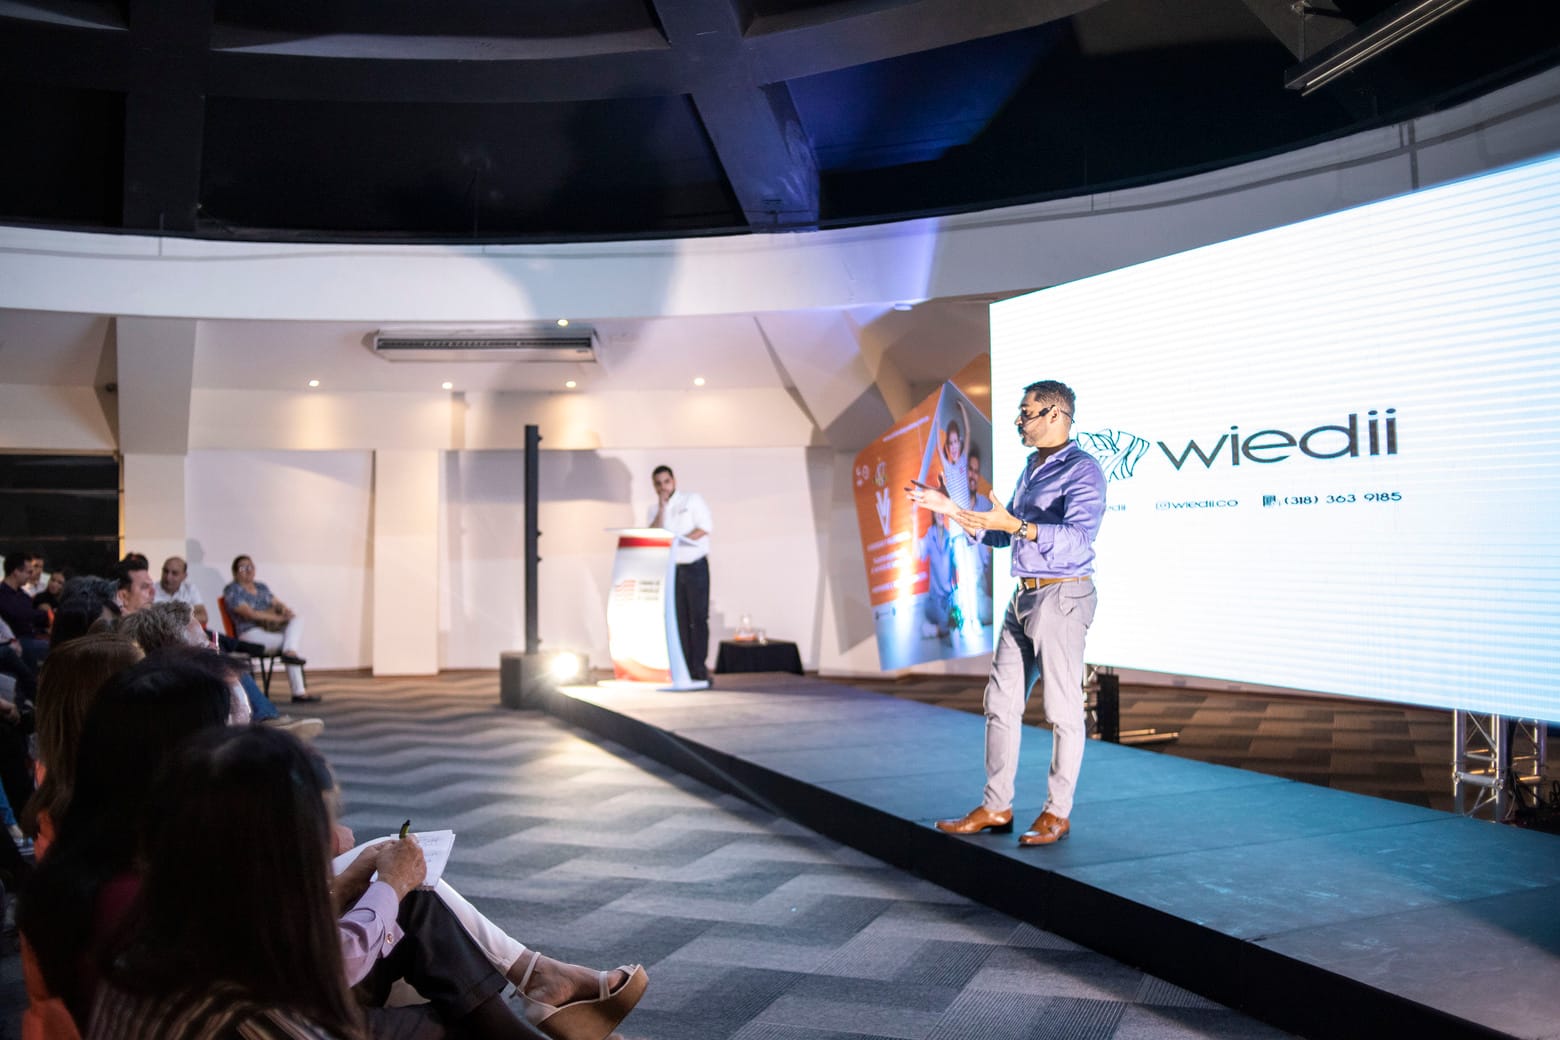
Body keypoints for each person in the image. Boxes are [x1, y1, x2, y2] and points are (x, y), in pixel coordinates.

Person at [907, 380, 1105, 847]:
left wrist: (1016, 524)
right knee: (1000, 702)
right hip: (1025, 596)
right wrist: (951, 508)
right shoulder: (1032, 467)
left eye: (1026, 412)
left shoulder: (1083, 469)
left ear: (1055, 414)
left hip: (1062, 595)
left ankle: (1057, 813)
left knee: (1061, 710)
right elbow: (1001, 534)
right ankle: (997, 805)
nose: (1018, 421)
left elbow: (1079, 539)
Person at [647, 466, 713, 684]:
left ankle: (699, 668)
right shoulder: (654, 509)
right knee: (679, 620)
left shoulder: (691, 500)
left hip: (694, 566)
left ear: (673, 480)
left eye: (666, 482)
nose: (663, 487)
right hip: (672, 569)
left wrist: (681, 541)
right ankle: (683, 667)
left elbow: (705, 527)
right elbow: (654, 533)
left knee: (698, 618)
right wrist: (662, 508)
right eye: (658, 484)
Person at [222, 555, 314, 703]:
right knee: (289, 643)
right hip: (250, 634)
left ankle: (290, 652)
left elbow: (276, 602)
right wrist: (276, 618)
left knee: (297, 619)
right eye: (243, 567)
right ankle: (298, 687)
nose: (248, 570)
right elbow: (249, 613)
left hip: (270, 632)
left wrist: (284, 610)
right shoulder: (232, 590)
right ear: (235, 572)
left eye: (251, 567)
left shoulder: (261, 587)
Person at [1, 551, 51, 668]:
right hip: (13, 643)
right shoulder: (3, 595)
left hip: (29, 640)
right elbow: (21, 614)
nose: (31, 575)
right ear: (16, 571)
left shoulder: (22, 595)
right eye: (28, 572)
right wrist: (47, 615)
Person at [154, 556, 208, 628]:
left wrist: (175, 618)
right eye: (166, 571)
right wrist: (186, 617)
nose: (168, 577)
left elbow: (203, 616)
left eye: (174, 573)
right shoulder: (151, 590)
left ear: (184, 576)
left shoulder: (190, 589)